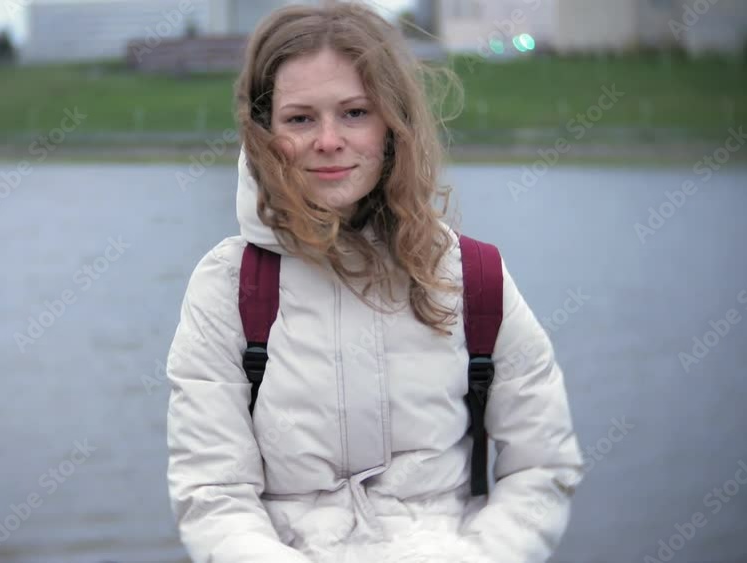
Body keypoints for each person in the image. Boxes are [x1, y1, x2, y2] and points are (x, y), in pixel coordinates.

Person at [165, 3, 584, 562]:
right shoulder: (227, 287)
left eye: (355, 112)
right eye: (300, 119)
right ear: (264, 133)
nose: (329, 140)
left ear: (393, 123)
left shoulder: (474, 278)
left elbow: (541, 465)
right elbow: (213, 493)